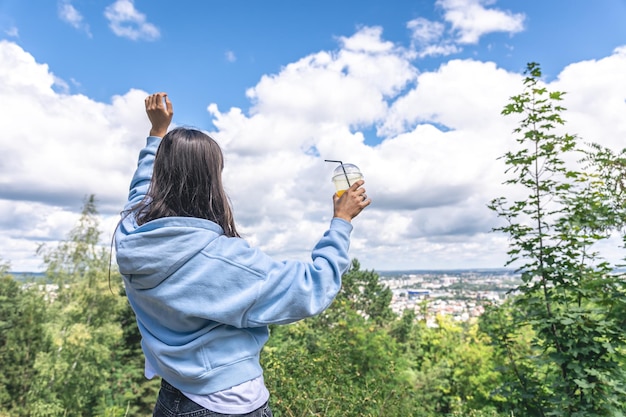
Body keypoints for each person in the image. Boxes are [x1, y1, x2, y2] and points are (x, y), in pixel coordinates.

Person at [115, 92, 371, 417]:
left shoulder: (131, 231)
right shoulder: (218, 259)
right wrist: (341, 222)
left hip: (173, 396)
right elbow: (311, 288)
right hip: (229, 404)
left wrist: (157, 133)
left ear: (160, 177)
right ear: (211, 182)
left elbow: (139, 188)